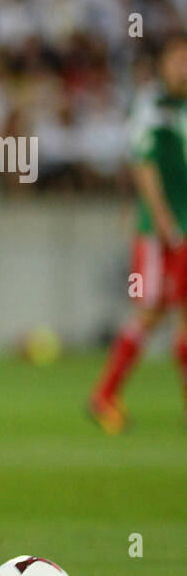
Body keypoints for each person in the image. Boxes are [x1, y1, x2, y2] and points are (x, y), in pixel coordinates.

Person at [88, 34, 187, 433]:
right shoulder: (151, 106)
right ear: (164, 64)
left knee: (171, 314)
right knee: (151, 313)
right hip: (161, 232)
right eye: (179, 59)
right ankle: (104, 394)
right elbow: (142, 164)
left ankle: (106, 394)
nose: (184, 67)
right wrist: (163, 220)